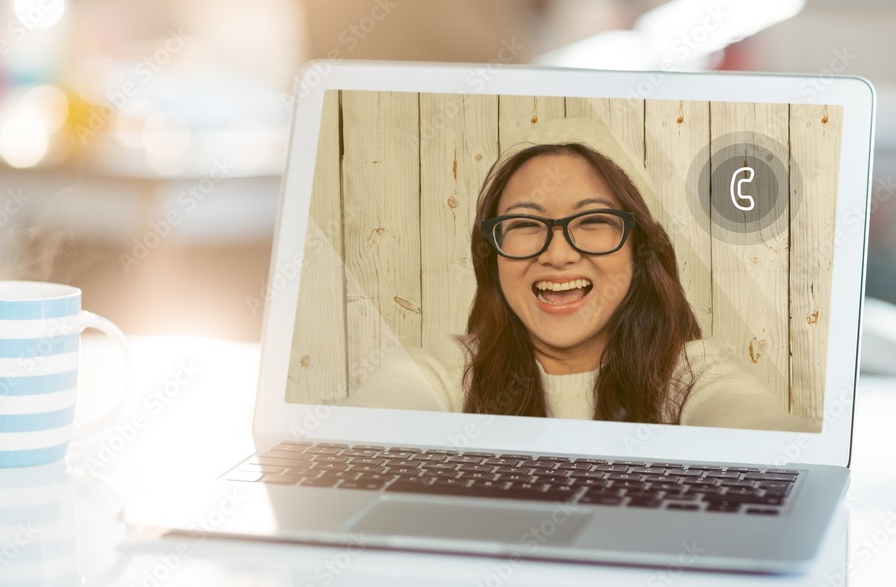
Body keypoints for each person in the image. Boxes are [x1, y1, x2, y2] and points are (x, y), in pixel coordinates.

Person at [343, 140, 820, 433]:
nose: (557, 254)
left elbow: (758, 431)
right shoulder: (448, 371)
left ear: (638, 250)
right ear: (493, 258)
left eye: (592, 220)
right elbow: (368, 429)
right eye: (526, 224)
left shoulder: (691, 373)